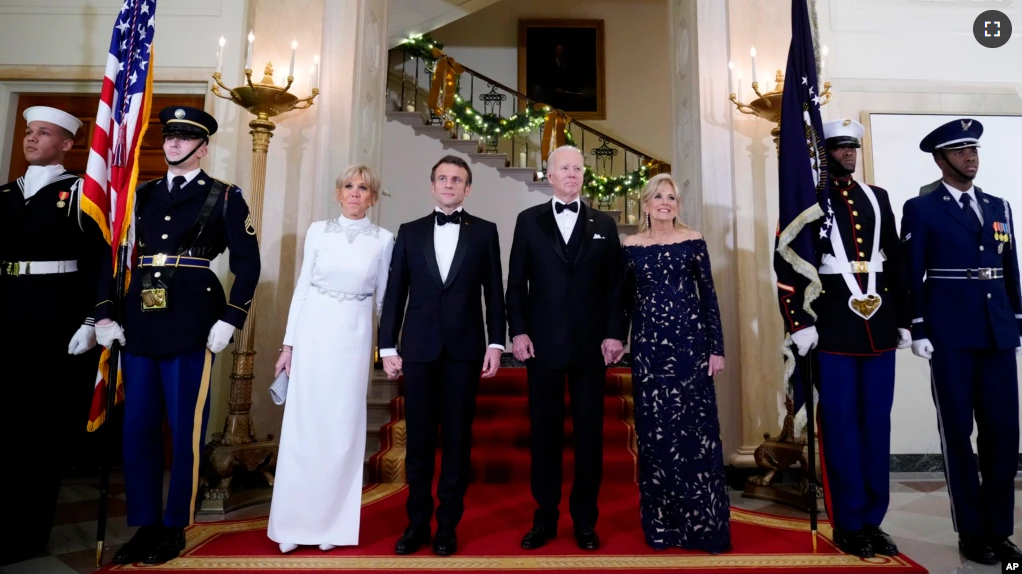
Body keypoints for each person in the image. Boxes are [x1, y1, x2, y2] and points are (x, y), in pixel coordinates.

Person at [94, 106, 261, 565]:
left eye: (185, 137)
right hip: (141, 322)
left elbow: (248, 263)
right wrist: (104, 314)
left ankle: (174, 525)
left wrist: (231, 317)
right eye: (169, 136)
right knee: (138, 428)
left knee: (186, 429)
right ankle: (146, 524)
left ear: (203, 147)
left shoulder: (224, 197)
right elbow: (114, 258)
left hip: (193, 323)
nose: (173, 143)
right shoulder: (139, 196)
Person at [778, 119, 909, 558]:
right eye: (838, 148)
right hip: (832, 326)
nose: (848, 154)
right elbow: (788, 263)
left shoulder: (878, 197)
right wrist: (799, 322)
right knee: (841, 429)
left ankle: (874, 520)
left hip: (878, 326)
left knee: (877, 426)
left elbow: (897, 260)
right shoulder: (808, 201)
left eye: (852, 147)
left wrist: (905, 319)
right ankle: (849, 522)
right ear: (823, 154)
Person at [901, 118, 1022, 566]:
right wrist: (917, 327)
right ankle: (971, 532)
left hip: (996, 332)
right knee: (957, 434)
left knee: (1003, 434)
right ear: (941, 159)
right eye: (960, 151)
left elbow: (1010, 267)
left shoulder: (998, 205)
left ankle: (999, 530)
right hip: (949, 334)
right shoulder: (922, 208)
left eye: (973, 149)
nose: (970, 156)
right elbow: (912, 272)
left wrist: (1018, 320)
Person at [378, 155, 506, 556]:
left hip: (465, 351)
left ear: (468, 189)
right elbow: (395, 293)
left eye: (458, 180)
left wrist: (496, 343)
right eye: (443, 178)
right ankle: (416, 524)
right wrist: (386, 345)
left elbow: (494, 295)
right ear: (432, 185)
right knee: (417, 441)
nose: (449, 185)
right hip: (418, 349)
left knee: (456, 441)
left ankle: (447, 526)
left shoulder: (485, 232)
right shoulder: (410, 231)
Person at [267, 165, 394, 553]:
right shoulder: (319, 231)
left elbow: (385, 301)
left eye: (364, 188)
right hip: (313, 333)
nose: (355, 193)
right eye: (349, 187)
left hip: (354, 338)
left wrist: (387, 348)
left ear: (373, 197)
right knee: (304, 429)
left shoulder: (385, 240)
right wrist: (289, 346)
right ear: (338, 193)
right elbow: (302, 289)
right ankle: (292, 525)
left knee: (342, 432)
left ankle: (331, 528)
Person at [506, 145, 626, 551]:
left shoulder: (604, 224)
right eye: (564, 168)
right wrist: (518, 332)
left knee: (590, 437)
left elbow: (616, 288)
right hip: (541, 347)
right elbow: (515, 285)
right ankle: (545, 518)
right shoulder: (528, 221)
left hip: (592, 348)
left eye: (578, 168)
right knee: (545, 435)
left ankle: (585, 521)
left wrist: (615, 333)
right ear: (549, 175)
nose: (572, 174)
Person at [0, 106, 106, 565]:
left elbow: (97, 261)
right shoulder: (5, 194)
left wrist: (89, 319)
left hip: (52, 318)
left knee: (37, 430)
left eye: (43, 133)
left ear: (67, 144)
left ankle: (26, 532)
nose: (31, 139)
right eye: (28, 132)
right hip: (4, 313)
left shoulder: (79, 194)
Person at [621, 173, 730, 553]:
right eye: (658, 196)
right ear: (646, 203)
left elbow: (709, 298)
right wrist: (618, 339)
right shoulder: (630, 246)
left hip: (691, 350)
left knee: (694, 437)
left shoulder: (693, 240)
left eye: (671, 197)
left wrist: (716, 348)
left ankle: (703, 527)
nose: (665, 202)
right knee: (656, 438)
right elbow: (625, 301)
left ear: (677, 205)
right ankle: (663, 527)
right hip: (649, 352)